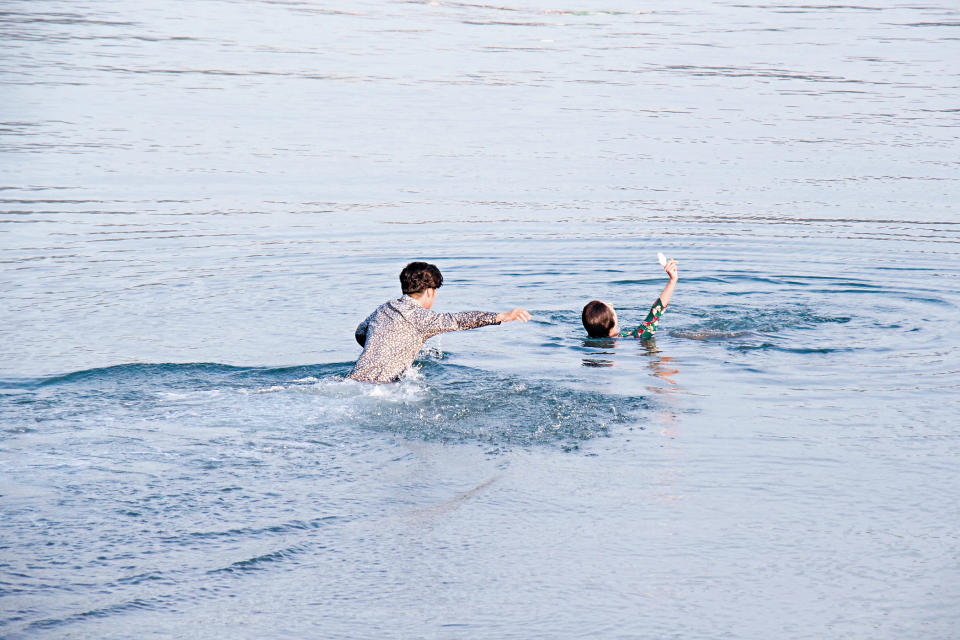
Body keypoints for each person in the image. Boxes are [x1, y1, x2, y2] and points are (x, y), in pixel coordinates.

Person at [348, 261, 531, 383]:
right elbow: (457, 321)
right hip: (381, 388)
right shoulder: (421, 318)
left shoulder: (384, 309)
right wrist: (500, 316)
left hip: (352, 381)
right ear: (430, 291)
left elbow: (360, 332)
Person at [581, 259, 678, 339]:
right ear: (612, 321)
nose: (611, 304)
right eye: (610, 307)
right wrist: (673, 280)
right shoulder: (636, 336)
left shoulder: (591, 340)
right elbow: (657, 310)